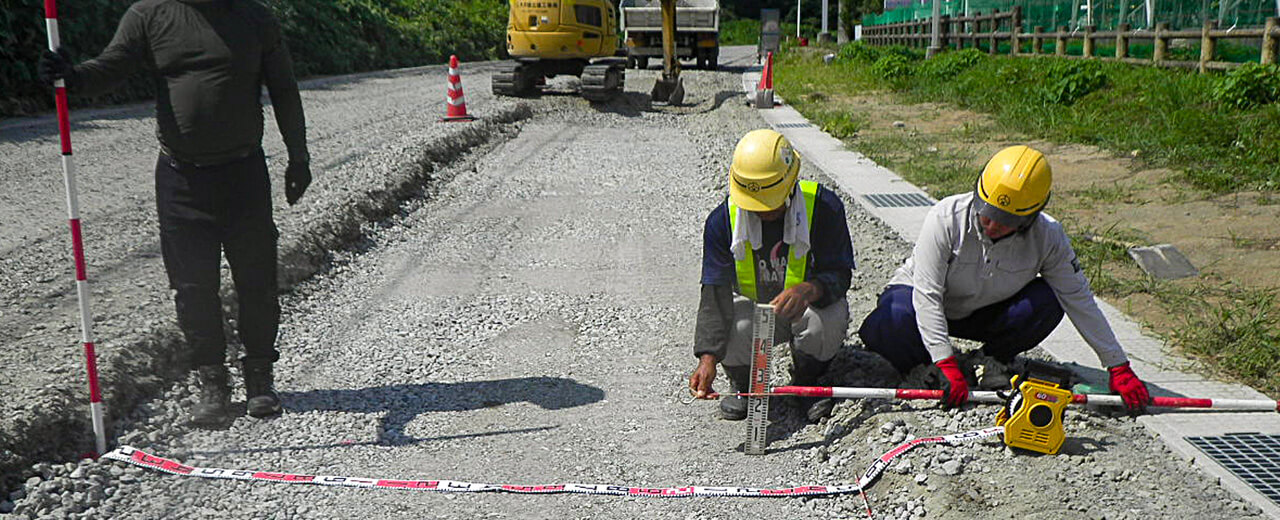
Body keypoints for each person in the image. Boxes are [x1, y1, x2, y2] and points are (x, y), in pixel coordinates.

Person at [38, 0, 312, 426]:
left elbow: (284, 89)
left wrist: (299, 156)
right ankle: (213, 386)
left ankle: (260, 381)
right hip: (181, 180)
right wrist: (71, 77)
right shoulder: (149, 15)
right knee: (192, 288)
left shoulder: (254, 16)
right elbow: (113, 67)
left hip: (244, 176)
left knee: (256, 281)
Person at [857, 145, 1150, 413]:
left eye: (1007, 220)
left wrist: (1117, 365)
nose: (993, 225)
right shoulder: (946, 217)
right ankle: (926, 369)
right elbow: (927, 294)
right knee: (889, 319)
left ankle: (989, 359)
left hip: (985, 311)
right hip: (922, 304)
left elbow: (1078, 298)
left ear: (1030, 217)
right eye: (987, 215)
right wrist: (944, 360)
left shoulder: (1048, 236)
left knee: (1048, 299)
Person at [688, 129, 855, 423]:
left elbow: (840, 275)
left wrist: (808, 290)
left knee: (826, 323)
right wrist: (708, 359)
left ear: (790, 184)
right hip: (755, 311)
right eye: (754, 205)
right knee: (734, 327)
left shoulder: (824, 209)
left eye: (770, 203)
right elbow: (714, 295)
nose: (762, 213)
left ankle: (807, 381)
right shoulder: (722, 222)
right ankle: (743, 385)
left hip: (807, 307)